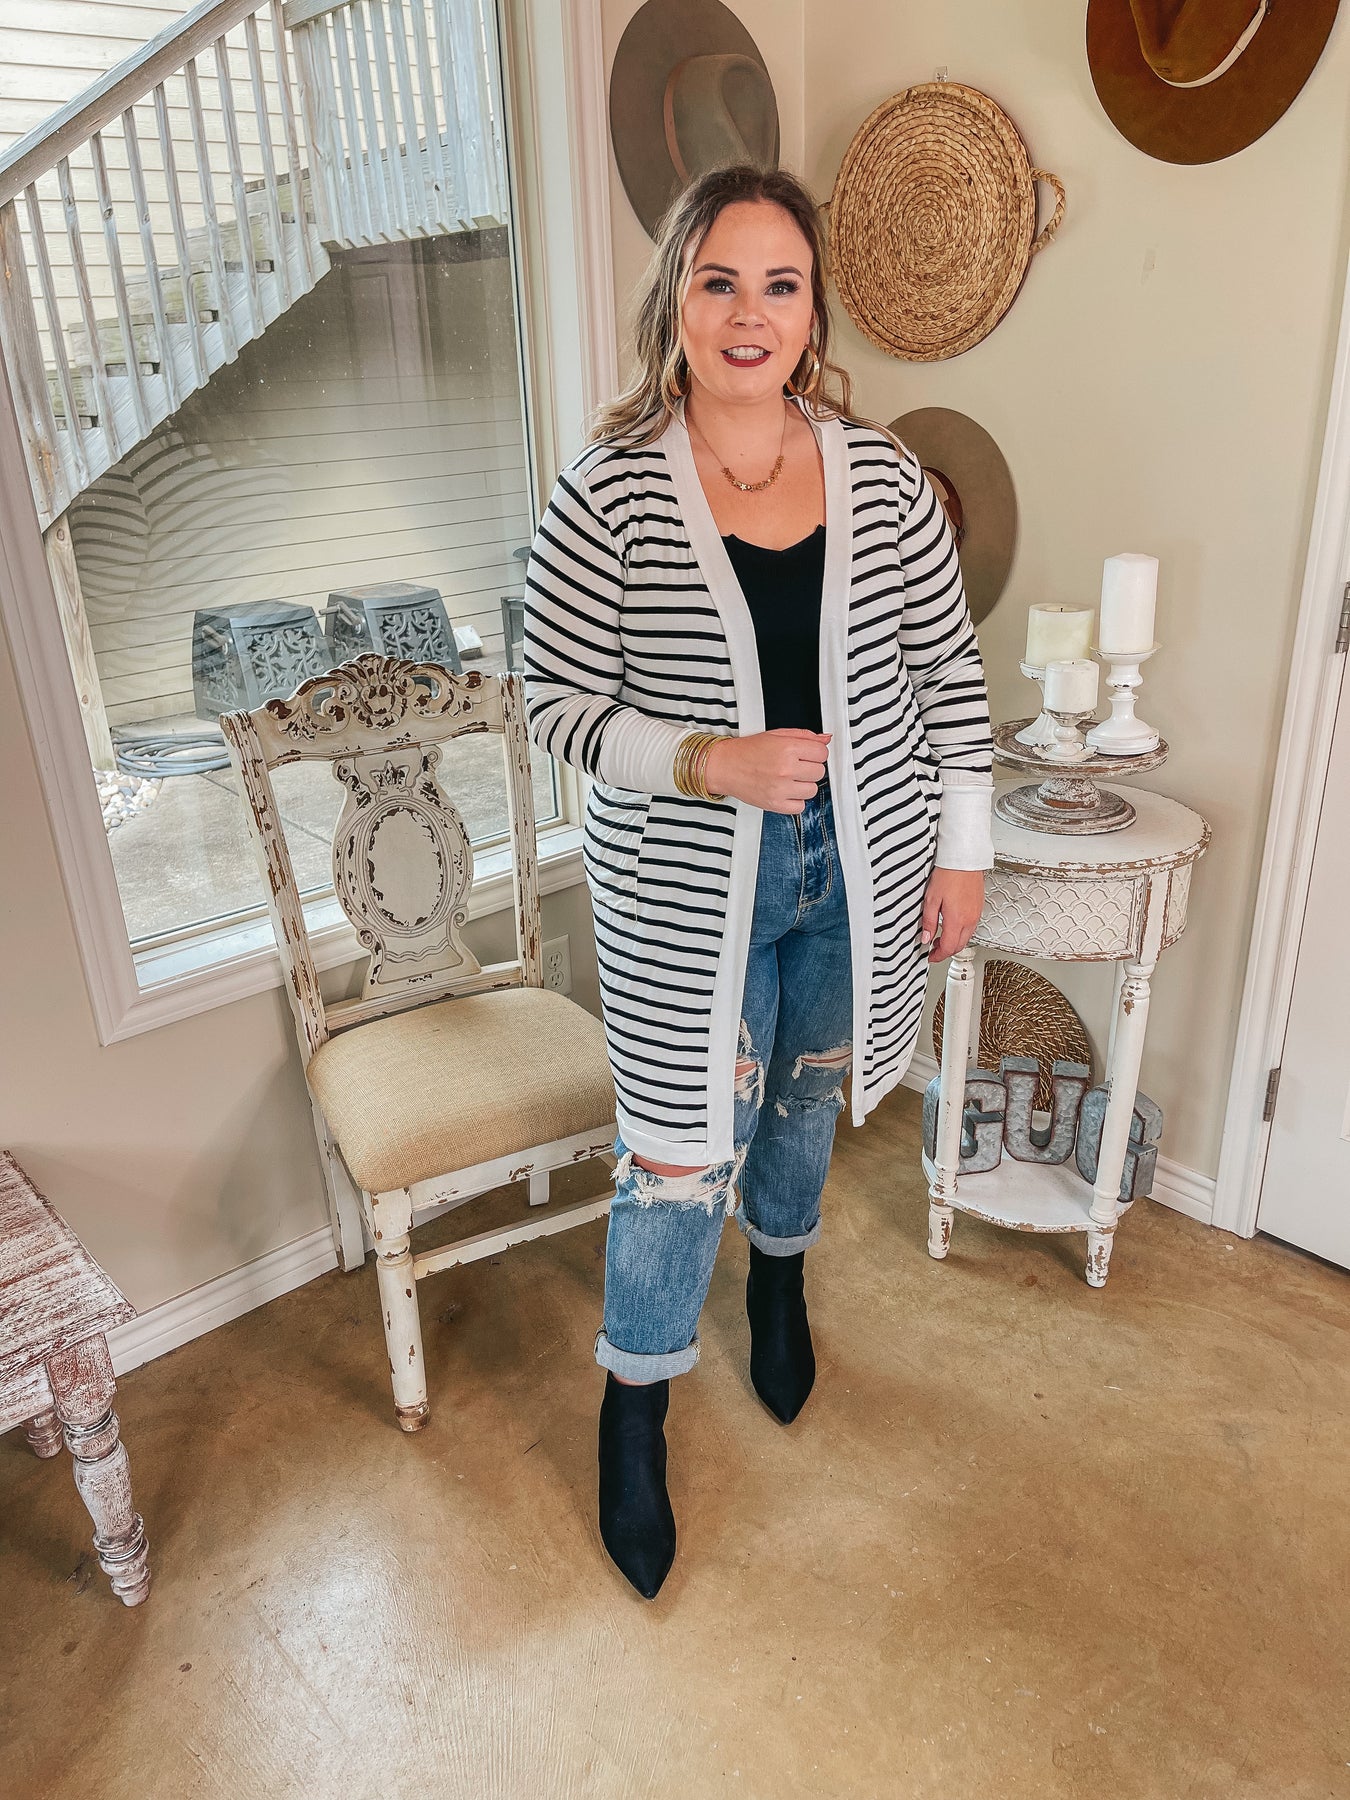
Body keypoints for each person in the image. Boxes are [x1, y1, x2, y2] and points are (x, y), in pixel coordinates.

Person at [524, 165, 993, 1599]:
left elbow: (947, 672)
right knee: (676, 1156)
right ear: (674, 299)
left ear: (812, 312)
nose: (748, 313)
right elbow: (550, 705)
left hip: (864, 861)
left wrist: (964, 849)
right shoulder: (608, 490)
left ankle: (779, 1282)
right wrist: (707, 761)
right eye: (718, 280)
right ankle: (635, 1401)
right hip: (685, 889)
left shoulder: (880, 476)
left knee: (804, 1098)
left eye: (779, 285)